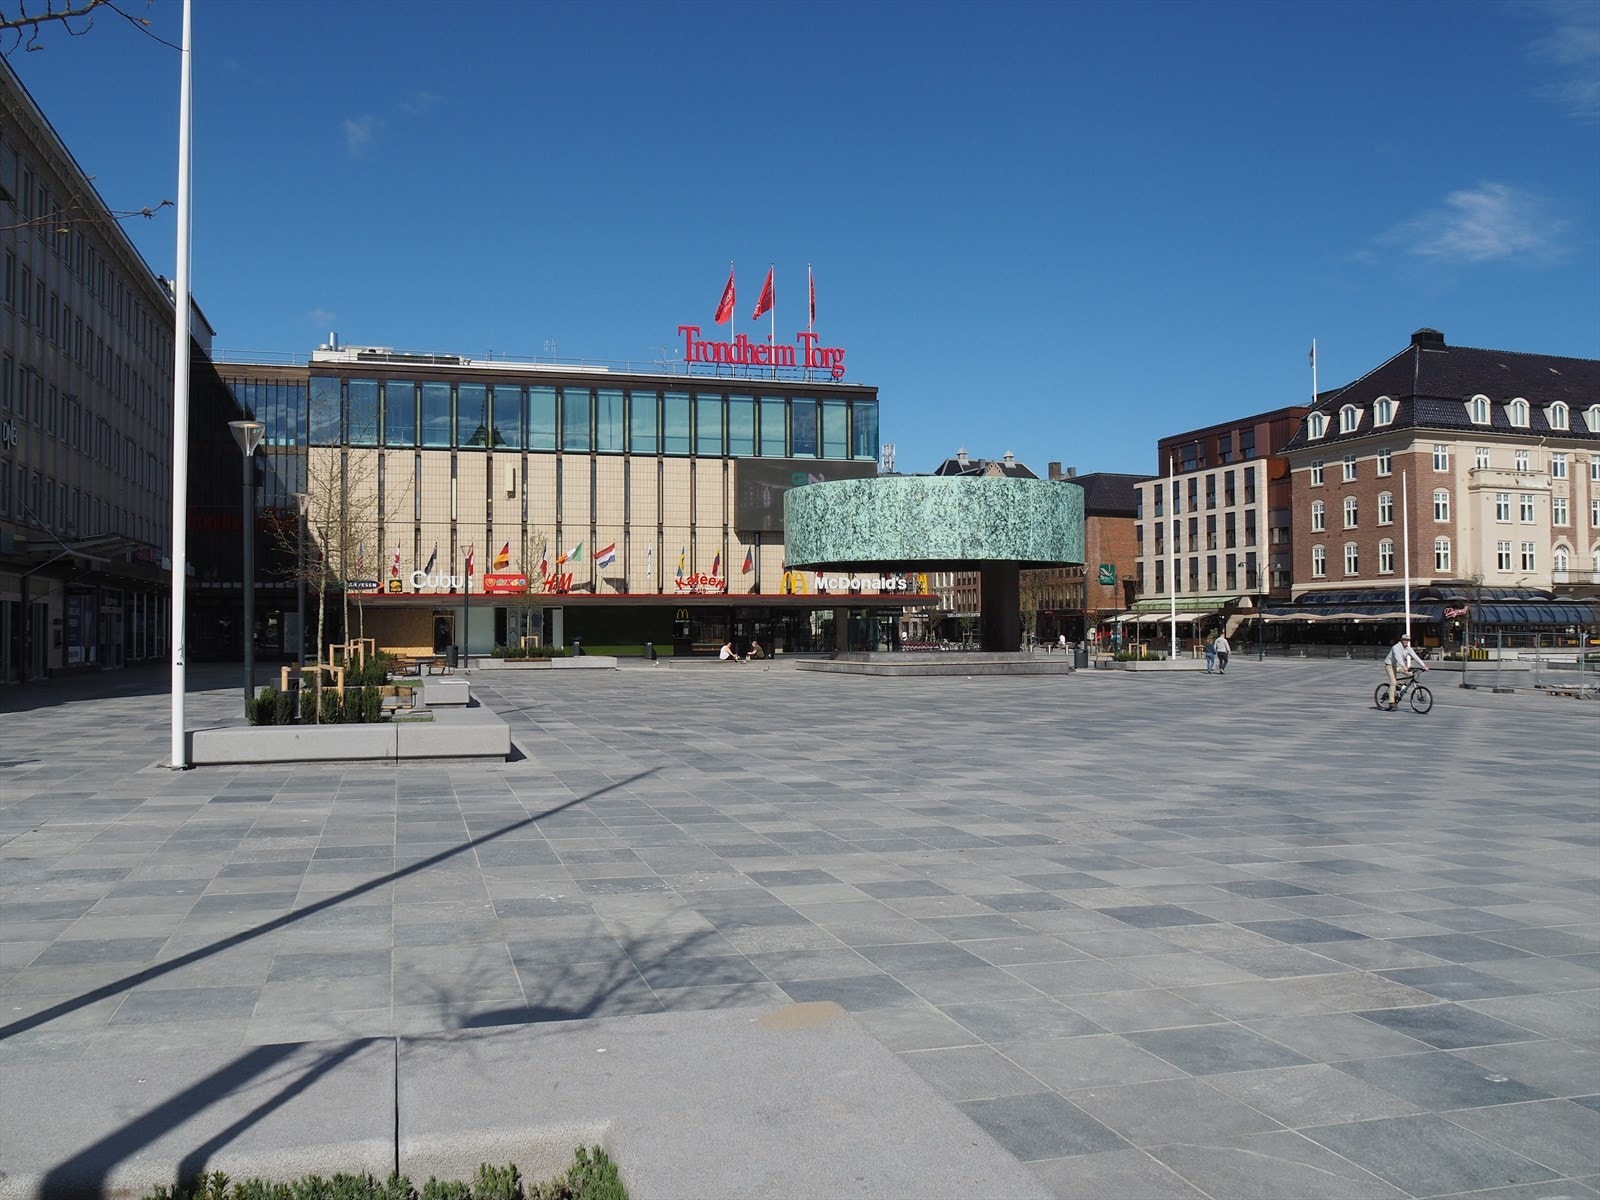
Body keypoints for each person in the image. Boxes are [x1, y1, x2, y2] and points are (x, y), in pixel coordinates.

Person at [1384, 632, 1428, 709]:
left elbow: (1415, 657)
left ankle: (1399, 685)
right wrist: (1404, 666)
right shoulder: (1396, 647)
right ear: (1401, 640)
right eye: (1404, 639)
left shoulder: (1408, 648)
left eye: (1407, 640)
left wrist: (1424, 665)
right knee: (1393, 682)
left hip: (1398, 666)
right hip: (1390, 665)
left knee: (1411, 674)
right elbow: (1398, 658)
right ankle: (1391, 702)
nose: (1406, 641)